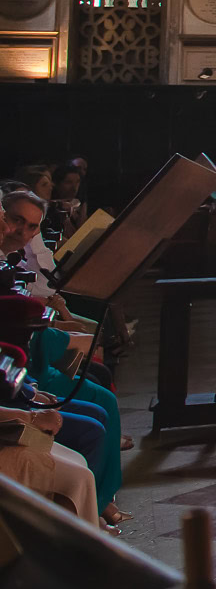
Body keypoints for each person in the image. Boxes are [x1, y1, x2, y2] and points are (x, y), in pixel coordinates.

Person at [0, 189, 124, 525]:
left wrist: (27, 392)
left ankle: (95, 506)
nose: (16, 232)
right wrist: (28, 408)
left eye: (30, 227)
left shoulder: (8, 264)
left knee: (99, 396)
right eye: (12, 221)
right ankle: (83, 522)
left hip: (19, 377)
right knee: (91, 424)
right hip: (20, 382)